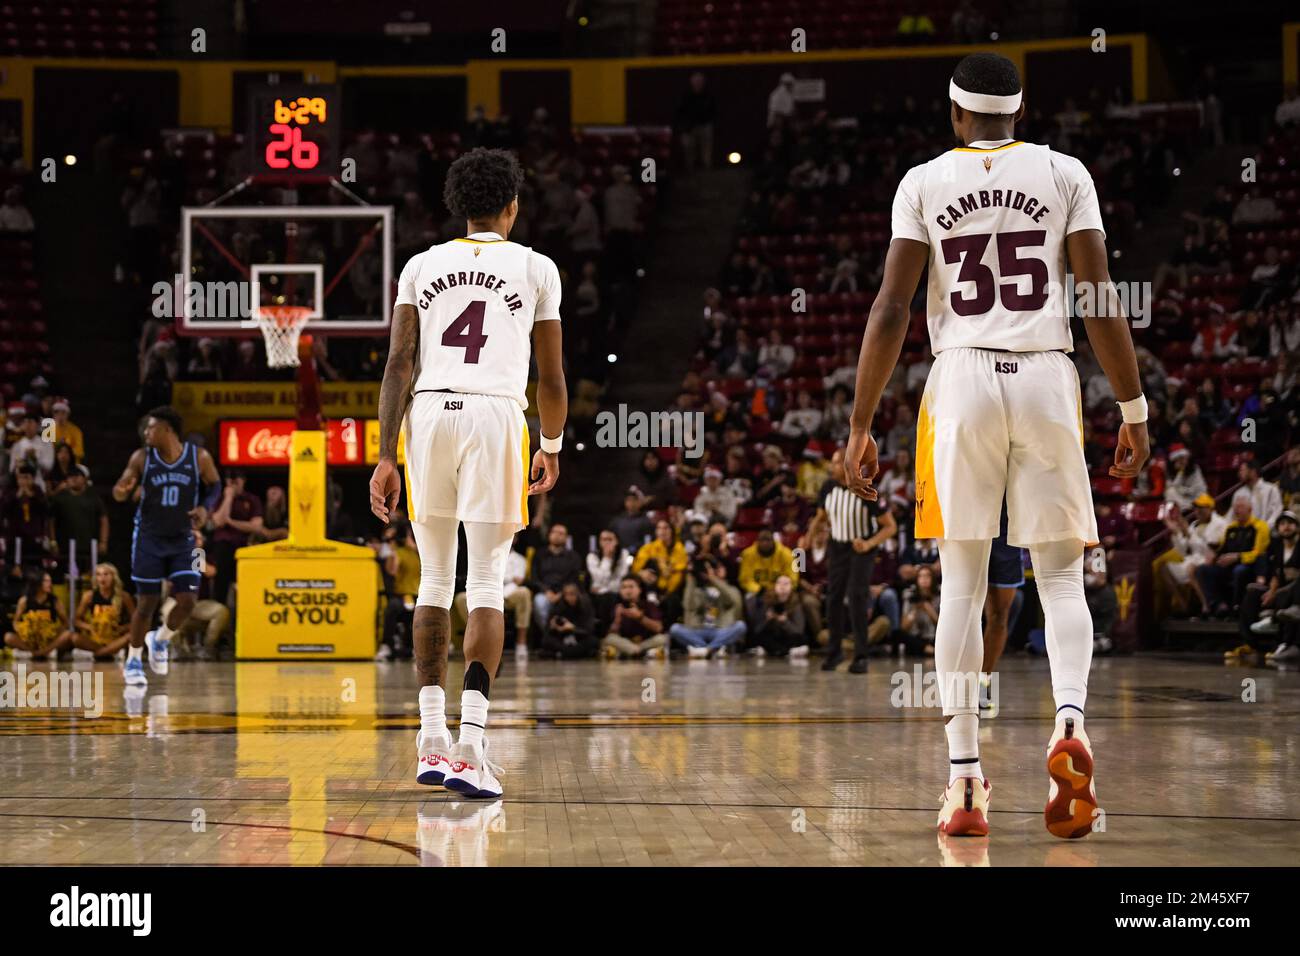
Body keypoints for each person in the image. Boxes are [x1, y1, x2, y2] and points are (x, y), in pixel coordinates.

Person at [843, 54, 1149, 838]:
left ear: (954, 113)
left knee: (962, 588)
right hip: (1047, 374)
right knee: (1060, 579)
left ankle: (966, 784)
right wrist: (1133, 405)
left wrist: (860, 424)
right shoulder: (1064, 172)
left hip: (963, 381)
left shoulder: (922, 182)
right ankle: (1071, 723)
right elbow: (1098, 295)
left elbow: (890, 309)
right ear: (1021, 108)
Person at [370, 147, 566, 800]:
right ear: (513, 205)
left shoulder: (421, 265)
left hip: (427, 413)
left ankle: (429, 735)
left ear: (457, 207)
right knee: (485, 582)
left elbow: (398, 364)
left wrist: (384, 453)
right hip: (493, 418)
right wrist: (553, 444)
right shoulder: (537, 267)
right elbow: (554, 377)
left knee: (431, 578)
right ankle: (472, 745)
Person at [112, 406, 222, 689]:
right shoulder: (141, 458)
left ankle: (159, 640)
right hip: (149, 538)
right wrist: (121, 491)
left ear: (167, 429)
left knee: (188, 601)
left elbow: (215, 486)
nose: (146, 433)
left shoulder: (199, 457)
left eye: (151, 428)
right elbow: (120, 489)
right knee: (146, 602)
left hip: (184, 538)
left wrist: (205, 509)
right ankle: (134, 660)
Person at [818, 448, 896, 674]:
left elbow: (890, 526)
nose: (831, 467)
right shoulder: (828, 487)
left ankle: (861, 656)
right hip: (837, 545)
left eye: (834, 463)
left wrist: (869, 544)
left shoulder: (867, 489)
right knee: (833, 598)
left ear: (847, 465)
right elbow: (822, 515)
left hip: (861, 548)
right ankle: (834, 653)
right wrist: (811, 534)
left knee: (856, 596)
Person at [1195, 489, 1269, 620]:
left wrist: (1237, 557)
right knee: (1202, 570)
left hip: (1250, 567)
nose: (1236, 511)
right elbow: (1223, 549)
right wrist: (1216, 556)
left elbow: (1259, 554)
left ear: (1250, 509)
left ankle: (1237, 609)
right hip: (1229, 566)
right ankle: (1218, 605)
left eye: (1240, 507)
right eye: (1235, 508)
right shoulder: (1231, 528)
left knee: (1239, 571)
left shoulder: (1259, 526)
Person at [980, 502, 1024, 716]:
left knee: (999, 615)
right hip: (973, 524)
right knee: (965, 612)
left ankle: (983, 681)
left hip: (1006, 532)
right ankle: (957, 685)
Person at [669, 557, 746, 658]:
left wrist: (713, 578)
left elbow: (731, 600)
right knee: (675, 629)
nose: (715, 571)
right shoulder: (698, 590)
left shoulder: (731, 589)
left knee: (740, 626)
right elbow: (688, 606)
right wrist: (691, 578)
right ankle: (711, 649)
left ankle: (705, 649)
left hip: (720, 630)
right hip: (700, 630)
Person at [48, 464, 108, 579]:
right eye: (70, 477)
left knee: (90, 578)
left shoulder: (93, 496)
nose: (73, 479)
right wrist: (53, 541)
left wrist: (103, 541)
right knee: (65, 577)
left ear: (84, 478)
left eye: (77, 476)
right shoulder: (59, 498)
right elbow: (51, 521)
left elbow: (103, 519)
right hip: (65, 547)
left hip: (89, 546)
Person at [68, 562, 135, 660]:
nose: (102, 578)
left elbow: (136, 621)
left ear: (113, 577)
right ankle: (109, 652)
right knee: (74, 637)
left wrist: (123, 628)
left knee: (131, 636)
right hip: (95, 638)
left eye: (106, 574)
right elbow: (76, 620)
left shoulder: (124, 596)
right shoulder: (88, 596)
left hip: (115, 638)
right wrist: (89, 627)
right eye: (99, 575)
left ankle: (96, 654)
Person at [601, 575, 667, 659]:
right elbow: (611, 633)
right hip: (626, 643)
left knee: (662, 638)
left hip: (645, 642)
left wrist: (640, 617)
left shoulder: (650, 605)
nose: (627, 591)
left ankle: (633, 652)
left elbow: (659, 628)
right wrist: (617, 619)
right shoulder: (617, 606)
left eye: (631, 587)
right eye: (624, 587)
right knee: (610, 638)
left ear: (640, 589)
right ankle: (639, 652)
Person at [745, 574, 810, 658]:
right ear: (774, 586)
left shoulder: (795, 604)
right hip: (772, 636)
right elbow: (757, 629)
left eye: (786, 584)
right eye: (779, 583)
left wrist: (785, 621)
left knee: (802, 639)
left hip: (788, 636)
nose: (782, 587)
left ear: (791, 587)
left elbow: (799, 631)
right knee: (760, 638)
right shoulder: (767, 600)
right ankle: (785, 651)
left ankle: (776, 651)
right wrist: (768, 620)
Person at [540, 581, 598, 659]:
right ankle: (573, 654)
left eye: (572, 594)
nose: (569, 598)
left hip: (579, 637)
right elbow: (547, 631)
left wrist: (573, 628)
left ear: (577, 594)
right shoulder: (559, 606)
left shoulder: (585, 605)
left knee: (593, 641)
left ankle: (559, 655)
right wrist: (554, 627)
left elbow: (589, 629)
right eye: (566, 595)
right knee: (546, 641)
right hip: (562, 638)